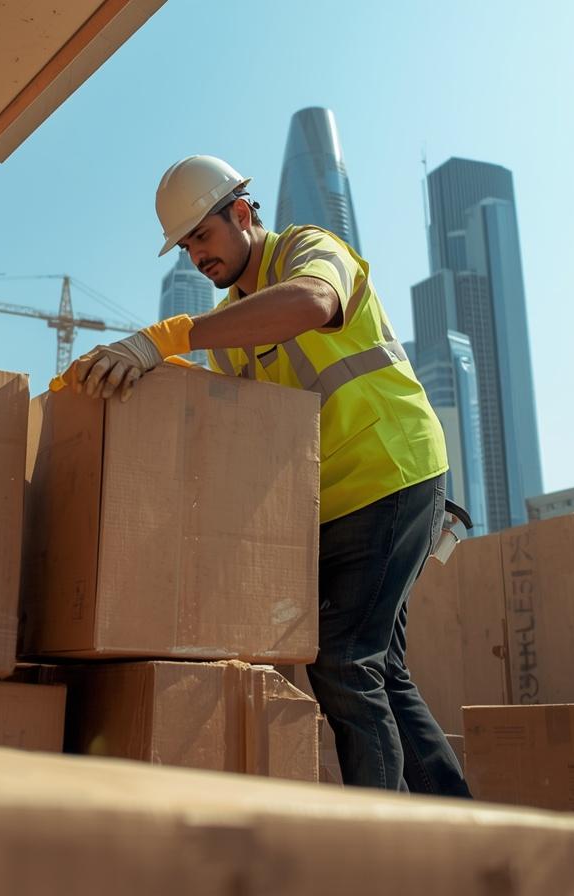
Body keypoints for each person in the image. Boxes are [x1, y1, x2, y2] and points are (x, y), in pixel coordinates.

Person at [55, 155, 471, 796]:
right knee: (379, 671)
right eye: (186, 246)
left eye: (203, 235)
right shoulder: (231, 330)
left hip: (393, 469)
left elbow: (313, 301)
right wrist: (156, 377)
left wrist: (170, 337)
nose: (197, 255)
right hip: (334, 503)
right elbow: (246, 427)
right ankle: (462, 826)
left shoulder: (309, 249)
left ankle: (381, 840)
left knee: (343, 659)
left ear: (243, 214)